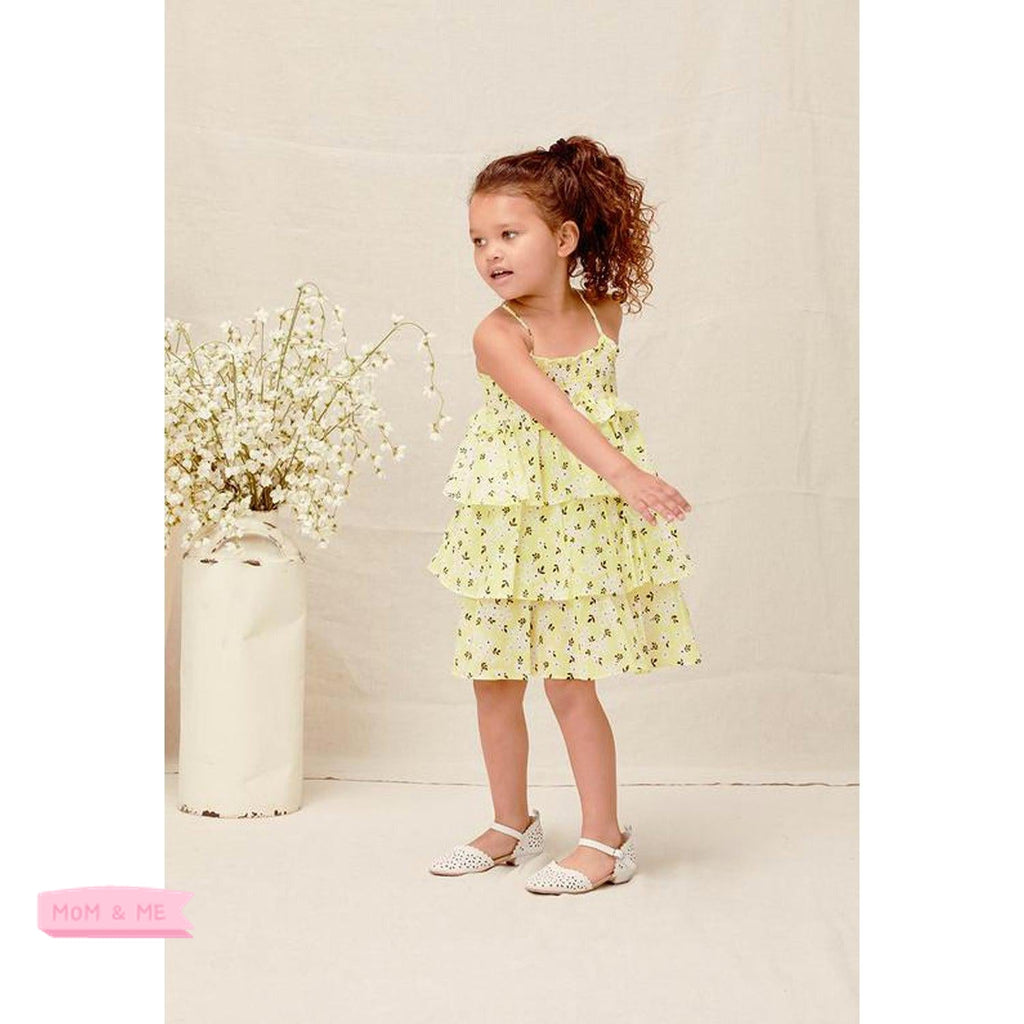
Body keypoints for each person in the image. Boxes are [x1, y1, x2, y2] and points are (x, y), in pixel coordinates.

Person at [426, 135, 702, 895]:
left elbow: (584, 412)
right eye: (478, 240)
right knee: (493, 679)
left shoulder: (603, 313)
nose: (490, 253)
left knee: (569, 684)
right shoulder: (497, 334)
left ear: (564, 238)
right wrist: (626, 472)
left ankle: (605, 840)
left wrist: (620, 481)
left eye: (508, 234)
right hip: (509, 526)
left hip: (575, 529)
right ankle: (510, 825)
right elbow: (553, 413)